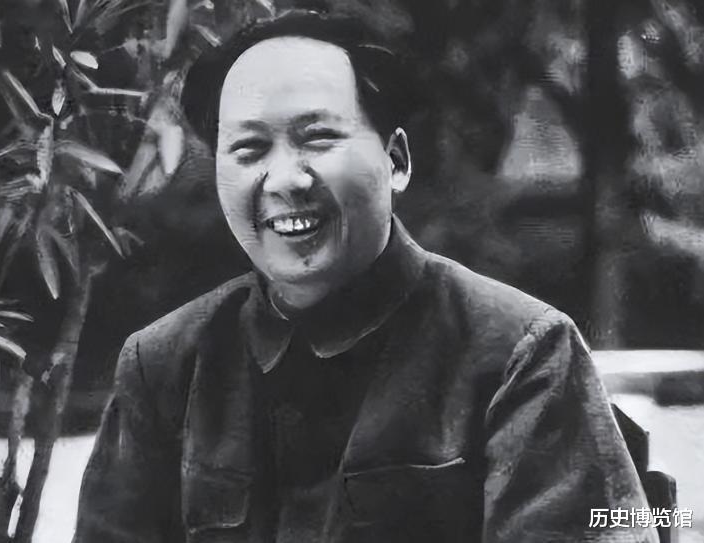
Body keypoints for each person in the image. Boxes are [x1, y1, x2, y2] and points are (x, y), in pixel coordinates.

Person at [73, 10, 658, 543]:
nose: (286, 179)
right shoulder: (162, 366)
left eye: (318, 138)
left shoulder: (521, 354)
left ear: (396, 160)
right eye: (249, 149)